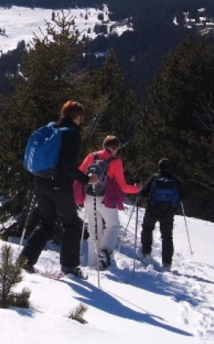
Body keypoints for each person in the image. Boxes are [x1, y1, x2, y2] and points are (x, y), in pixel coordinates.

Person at [19, 100, 94, 279]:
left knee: (46, 223)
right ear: (77, 116)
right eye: (81, 117)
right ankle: (69, 267)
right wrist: (86, 180)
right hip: (59, 184)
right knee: (70, 223)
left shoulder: (51, 128)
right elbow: (67, 165)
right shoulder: (72, 134)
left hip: (40, 181)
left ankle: (25, 260)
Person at [75, 135, 139, 270]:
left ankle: (93, 264)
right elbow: (122, 186)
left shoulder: (91, 156)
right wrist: (136, 188)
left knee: (94, 230)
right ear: (115, 148)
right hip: (105, 199)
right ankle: (104, 251)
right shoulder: (116, 162)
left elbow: (80, 173)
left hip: (88, 196)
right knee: (113, 226)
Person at [139, 158, 186, 270]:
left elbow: (144, 192)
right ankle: (167, 262)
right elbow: (184, 196)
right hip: (168, 212)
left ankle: (146, 252)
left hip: (153, 209)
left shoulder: (155, 177)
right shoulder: (174, 180)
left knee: (147, 229)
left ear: (159, 167)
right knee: (167, 236)